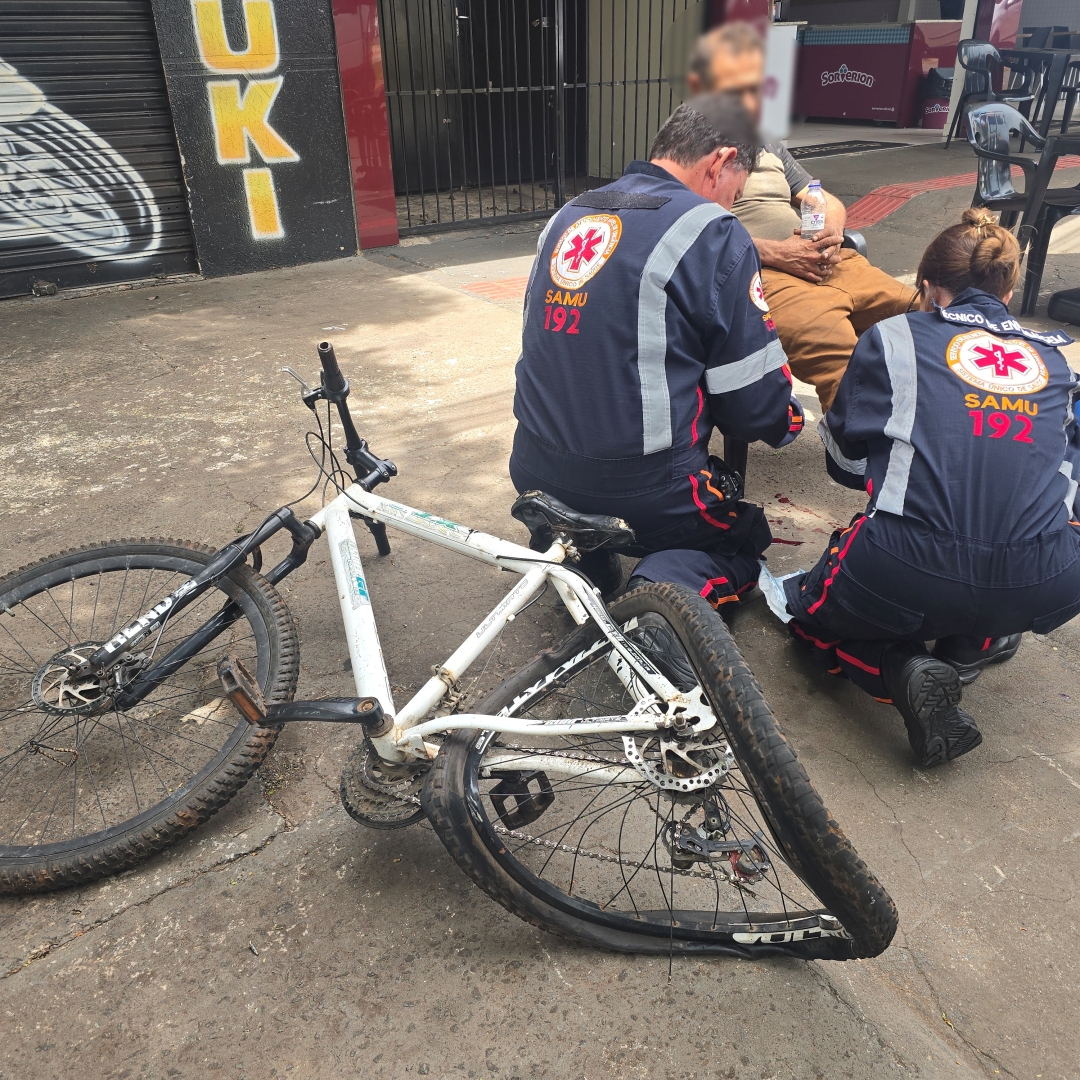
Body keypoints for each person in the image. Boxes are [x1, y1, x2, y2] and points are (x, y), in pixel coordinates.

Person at [781, 209, 1079, 767]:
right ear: (1008, 288)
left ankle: (898, 665)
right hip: (1046, 578)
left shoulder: (892, 337)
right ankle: (975, 642)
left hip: (905, 564)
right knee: (993, 571)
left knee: (811, 617)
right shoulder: (1058, 361)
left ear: (927, 287)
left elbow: (846, 463)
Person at [511, 95, 803, 609]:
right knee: (743, 537)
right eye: (739, 187)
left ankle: (580, 555)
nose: (733, 203)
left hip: (535, 473)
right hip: (645, 493)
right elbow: (753, 407)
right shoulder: (713, 232)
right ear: (720, 162)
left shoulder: (567, 215)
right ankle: (662, 596)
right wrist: (789, 421)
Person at [687, 23, 916, 410]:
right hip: (762, 277)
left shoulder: (766, 143)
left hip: (829, 261)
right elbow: (692, 233)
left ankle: (947, 436)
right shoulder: (691, 146)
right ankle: (860, 457)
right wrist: (779, 254)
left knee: (927, 316)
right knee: (844, 362)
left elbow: (820, 195)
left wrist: (831, 231)